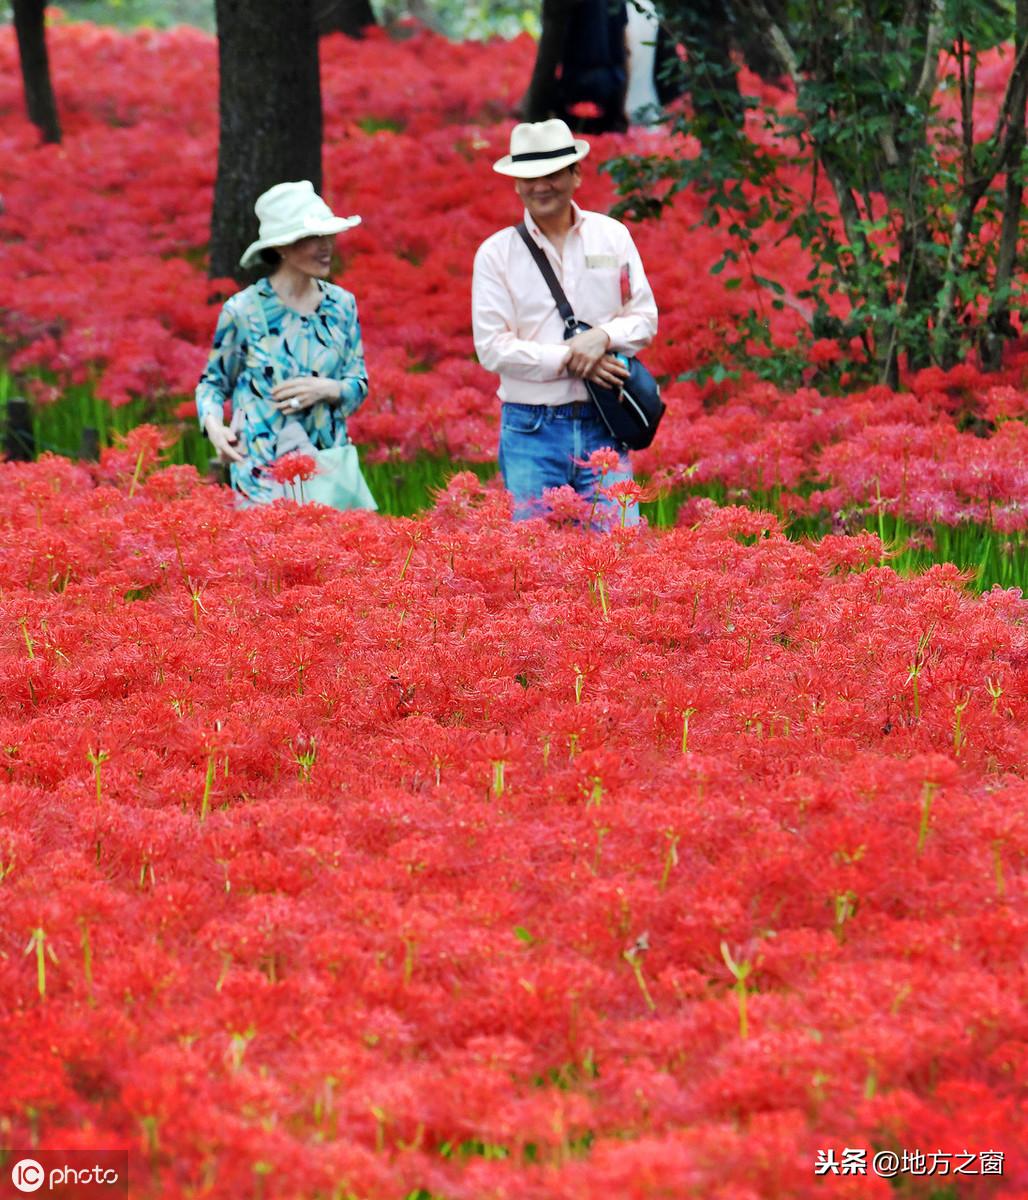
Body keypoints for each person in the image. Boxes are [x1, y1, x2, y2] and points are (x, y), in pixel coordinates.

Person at [472, 119, 658, 523]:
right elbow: (491, 348)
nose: (541, 186)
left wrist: (603, 337)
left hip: (605, 421)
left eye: (553, 173)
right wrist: (570, 356)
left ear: (576, 175)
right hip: (530, 429)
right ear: (517, 185)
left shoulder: (612, 236)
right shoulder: (495, 254)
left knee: (620, 562)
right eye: (529, 177)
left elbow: (644, 318)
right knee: (535, 569)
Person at [196, 180, 368, 505]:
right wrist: (216, 428)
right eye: (310, 238)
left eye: (326, 235)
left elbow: (358, 383)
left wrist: (326, 389)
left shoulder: (342, 305)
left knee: (335, 555)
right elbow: (212, 385)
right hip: (261, 471)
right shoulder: (244, 310)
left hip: (328, 468)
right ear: (282, 247)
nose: (325, 246)